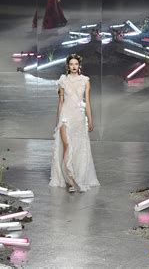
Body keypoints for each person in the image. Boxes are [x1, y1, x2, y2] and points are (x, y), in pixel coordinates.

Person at [49, 54, 100, 193]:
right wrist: (57, 122)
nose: (73, 66)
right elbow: (60, 102)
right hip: (65, 117)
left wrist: (90, 120)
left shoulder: (85, 81)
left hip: (78, 117)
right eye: (71, 64)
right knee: (67, 145)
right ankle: (71, 181)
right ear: (68, 66)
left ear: (79, 66)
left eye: (75, 64)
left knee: (79, 149)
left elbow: (87, 102)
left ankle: (79, 176)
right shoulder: (63, 80)